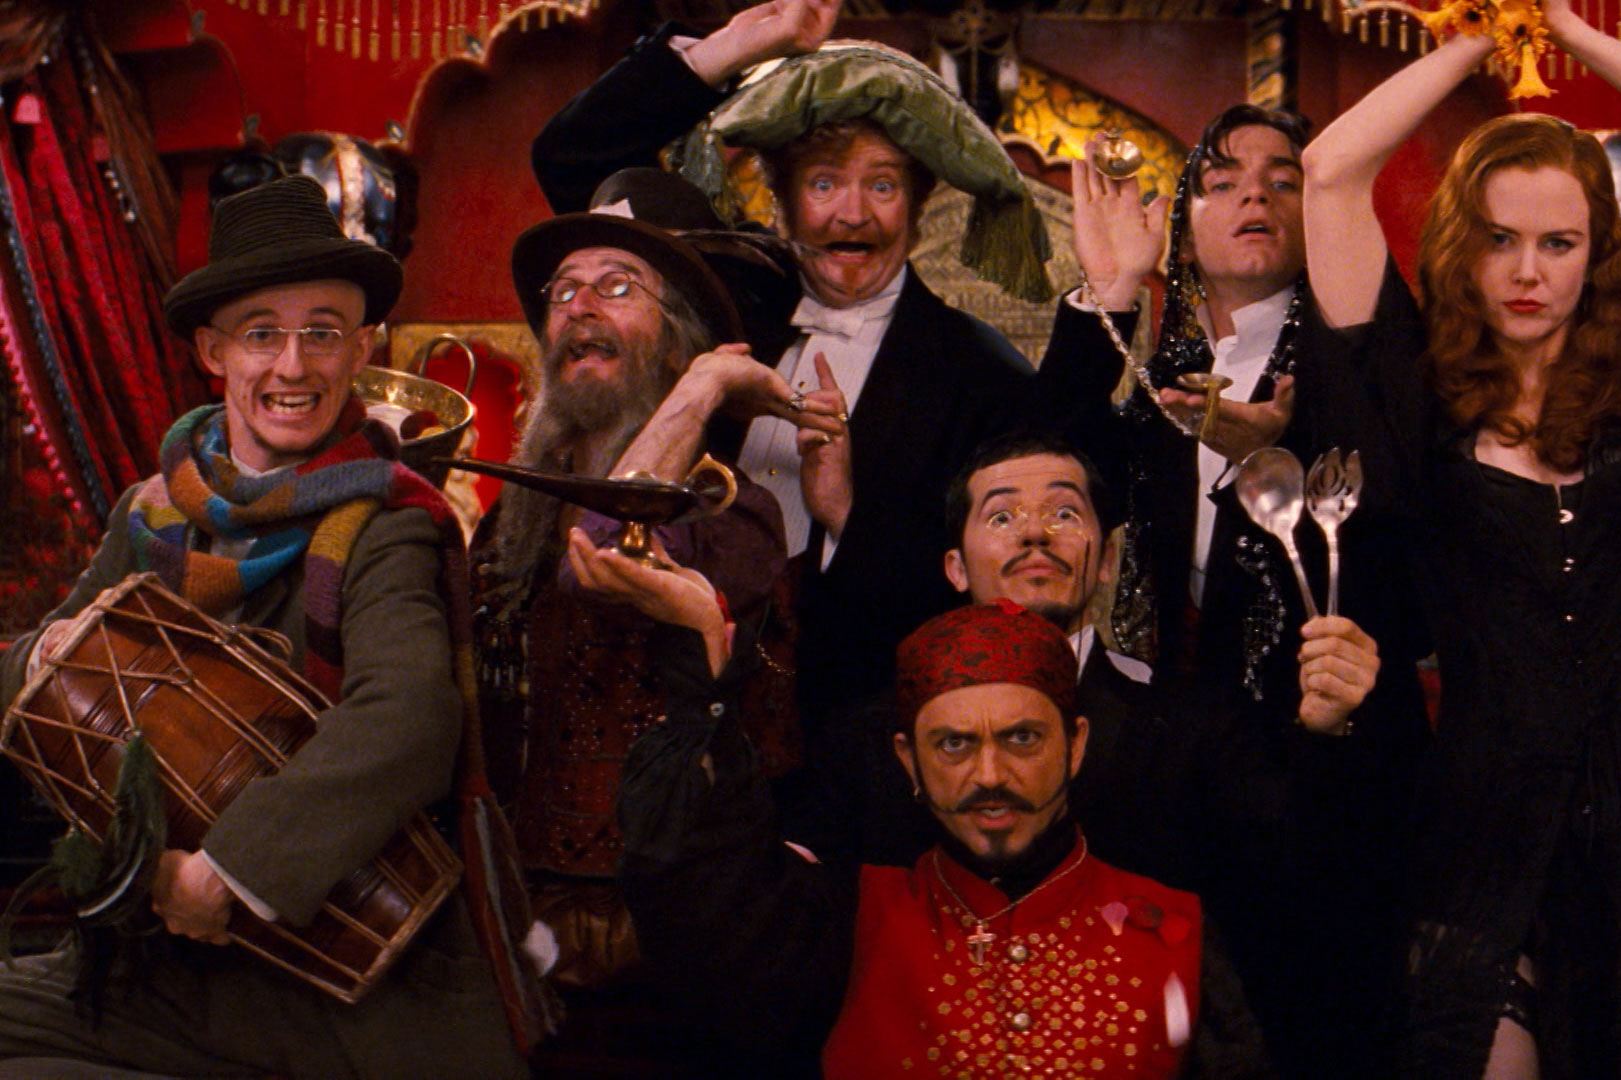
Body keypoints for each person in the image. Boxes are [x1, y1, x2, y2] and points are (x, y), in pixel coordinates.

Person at [1299, 1, 1621, 1074]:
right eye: (1500, 239)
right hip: (1481, 820)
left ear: (1597, 251)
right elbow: (1332, 170)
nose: (1528, 270)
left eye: (1558, 243)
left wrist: (1569, 30)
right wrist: (1482, 33)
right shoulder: (1416, 383)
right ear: (1462, 244)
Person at [0, 175, 526, 1077]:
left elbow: (408, 719)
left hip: (335, 969)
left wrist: (228, 870)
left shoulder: (387, 521)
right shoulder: (152, 513)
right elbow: (22, 680)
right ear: (213, 352)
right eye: (260, 334)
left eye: (322, 332)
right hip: (158, 962)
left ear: (362, 348)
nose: (293, 366)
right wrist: (43, 654)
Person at [532, 0, 1099, 713]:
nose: (852, 213)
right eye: (824, 183)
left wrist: (845, 514)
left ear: (918, 207)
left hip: (855, 728)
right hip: (663, 701)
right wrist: (730, 49)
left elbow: (985, 589)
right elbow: (573, 158)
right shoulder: (717, 299)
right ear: (780, 200)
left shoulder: (983, 376)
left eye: (882, 185)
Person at [797, 430, 1381, 1076]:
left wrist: (1326, 736)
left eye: (1064, 512)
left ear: (1105, 560)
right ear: (955, 567)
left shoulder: (1197, 725)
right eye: (1002, 516)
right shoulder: (868, 737)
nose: (1035, 532)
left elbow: (1298, 897)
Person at [1052, 108, 1432, 1072]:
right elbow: (1052, 472)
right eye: (1220, 182)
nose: (1253, 194)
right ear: (1183, 233)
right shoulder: (1169, 375)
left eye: (1283, 178)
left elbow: (1402, 515)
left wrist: (1274, 445)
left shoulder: (1356, 351)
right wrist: (1111, 292)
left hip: (1328, 771)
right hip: (1177, 768)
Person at [612, 595, 1272, 1076]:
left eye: (1022, 738)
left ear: (1075, 746)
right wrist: (700, 672)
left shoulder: (1174, 931)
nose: (990, 775)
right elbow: (704, 901)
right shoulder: (847, 919)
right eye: (954, 744)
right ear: (909, 762)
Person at [474, 194, 802, 999]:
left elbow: (598, 555)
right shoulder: (511, 518)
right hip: (505, 909)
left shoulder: (728, 507)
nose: (580, 306)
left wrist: (703, 387)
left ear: (676, 344)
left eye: (617, 286)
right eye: (563, 291)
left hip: (666, 922)